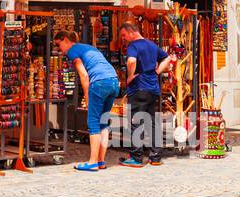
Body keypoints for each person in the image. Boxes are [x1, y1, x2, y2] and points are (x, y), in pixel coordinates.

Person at [55, 31, 120, 172]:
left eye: (58, 44)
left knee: (93, 122)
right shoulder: (87, 47)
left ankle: (92, 162)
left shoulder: (72, 50)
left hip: (99, 82)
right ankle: (100, 161)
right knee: (103, 122)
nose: (59, 49)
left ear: (65, 40)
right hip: (114, 81)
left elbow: (83, 74)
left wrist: (86, 96)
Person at [119, 23, 170, 167]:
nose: (123, 39)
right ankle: (155, 157)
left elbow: (131, 60)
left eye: (123, 35)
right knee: (152, 123)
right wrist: (157, 72)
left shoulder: (133, 45)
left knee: (137, 123)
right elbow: (167, 58)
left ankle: (136, 158)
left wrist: (130, 76)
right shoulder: (151, 45)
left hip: (138, 88)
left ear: (131, 32)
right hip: (153, 89)